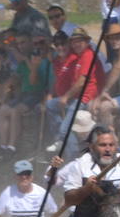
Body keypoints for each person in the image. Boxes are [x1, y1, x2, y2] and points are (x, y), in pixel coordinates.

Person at [45, 27, 104, 156]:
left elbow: (82, 81)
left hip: (86, 97)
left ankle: (70, 152)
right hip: (76, 97)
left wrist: (66, 97)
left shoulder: (88, 55)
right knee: (50, 105)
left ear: (86, 42)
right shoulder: (79, 55)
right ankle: (61, 140)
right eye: (74, 41)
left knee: (66, 127)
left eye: (80, 41)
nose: (76, 44)